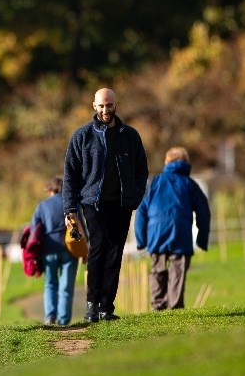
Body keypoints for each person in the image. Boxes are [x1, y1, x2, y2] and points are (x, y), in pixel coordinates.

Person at [62, 88, 149, 323]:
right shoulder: (81, 137)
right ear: (94, 106)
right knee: (98, 248)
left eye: (109, 105)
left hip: (121, 204)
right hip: (93, 202)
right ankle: (92, 305)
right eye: (101, 106)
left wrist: (136, 196)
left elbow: (142, 170)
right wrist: (70, 208)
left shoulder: (130, 136)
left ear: (115, 105)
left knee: (115, 253)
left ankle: (106, 307)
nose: (105, 110)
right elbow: (70, 175)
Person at [134, 146, 211, 310]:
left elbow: (141, 210)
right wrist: (202, 239)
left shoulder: (155, 182)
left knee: (158, 268)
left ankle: (158, 303)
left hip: (156, 231)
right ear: (186, 163)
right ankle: (174, 306)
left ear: (167, 162)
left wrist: (141, 240)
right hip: (180, 231)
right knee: (178, 269)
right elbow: (203, 212)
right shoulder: (190, 184)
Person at [30, 176, 77, 326]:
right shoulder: (71, 204)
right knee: (66, 287)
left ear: (50, 190)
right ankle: (64, 320)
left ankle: (50, 316)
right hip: (70, 250)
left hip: (48, 250)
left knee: (50, 284)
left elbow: (34, 229)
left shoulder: (42, 206)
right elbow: (80, 226)